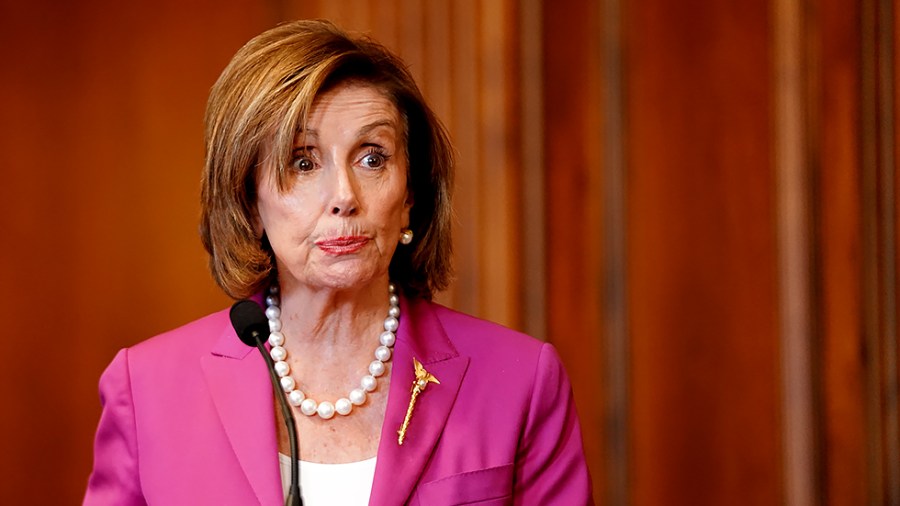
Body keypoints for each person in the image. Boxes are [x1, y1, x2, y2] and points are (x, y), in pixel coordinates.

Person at [83, 19, 593, 505]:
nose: (344, 196)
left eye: (373, 157)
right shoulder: (147, 388)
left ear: (411, 192)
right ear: (248, 200)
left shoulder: (521, 380)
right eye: (302, 162)